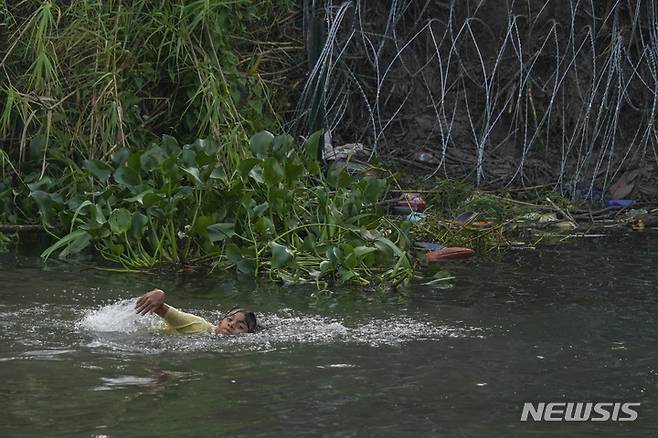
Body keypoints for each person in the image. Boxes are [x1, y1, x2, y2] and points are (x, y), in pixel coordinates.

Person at [135, 288, 257, 335]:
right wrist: (159, 294)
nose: (231, 325)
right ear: (220, 322)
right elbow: (157, 306)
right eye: (229, 320)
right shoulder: (198, 326)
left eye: (240, 327)